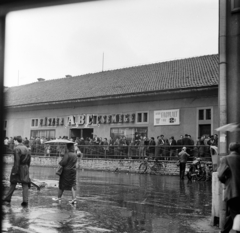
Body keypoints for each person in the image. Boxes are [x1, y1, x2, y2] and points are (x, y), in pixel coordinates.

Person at [3, 136, 31, 207]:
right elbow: (29, 161)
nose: (13, 142)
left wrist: (15, 171)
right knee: (25, 184)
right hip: (25, 168)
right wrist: (27, 168)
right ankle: (25, 201)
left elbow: (17, 161)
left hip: (19, 168)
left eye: (14, 141)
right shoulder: (27, 148)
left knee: (13, 183)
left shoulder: (17, 148)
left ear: (16, 141)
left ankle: (7, 198)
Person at [218, 142, 240, 233]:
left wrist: (225, 181)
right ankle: (225, 231)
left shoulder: (226, 159)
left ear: (229, 149)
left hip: (232, 190)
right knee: (234, 212)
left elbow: (220, 175)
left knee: (235, 212)